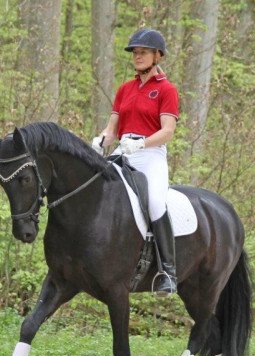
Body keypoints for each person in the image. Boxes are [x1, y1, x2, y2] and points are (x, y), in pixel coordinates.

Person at [92, 28, 179, 295]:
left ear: (157, 55)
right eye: (135, 52)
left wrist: (142, 142)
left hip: (151, 154)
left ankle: (167, 272)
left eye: (143, 52)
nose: (137, 56)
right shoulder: (125, 89)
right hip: (124, 150)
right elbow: (112, 129)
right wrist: (101, 140)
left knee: (154, 201)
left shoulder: (167, 90)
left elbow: (168, 131)